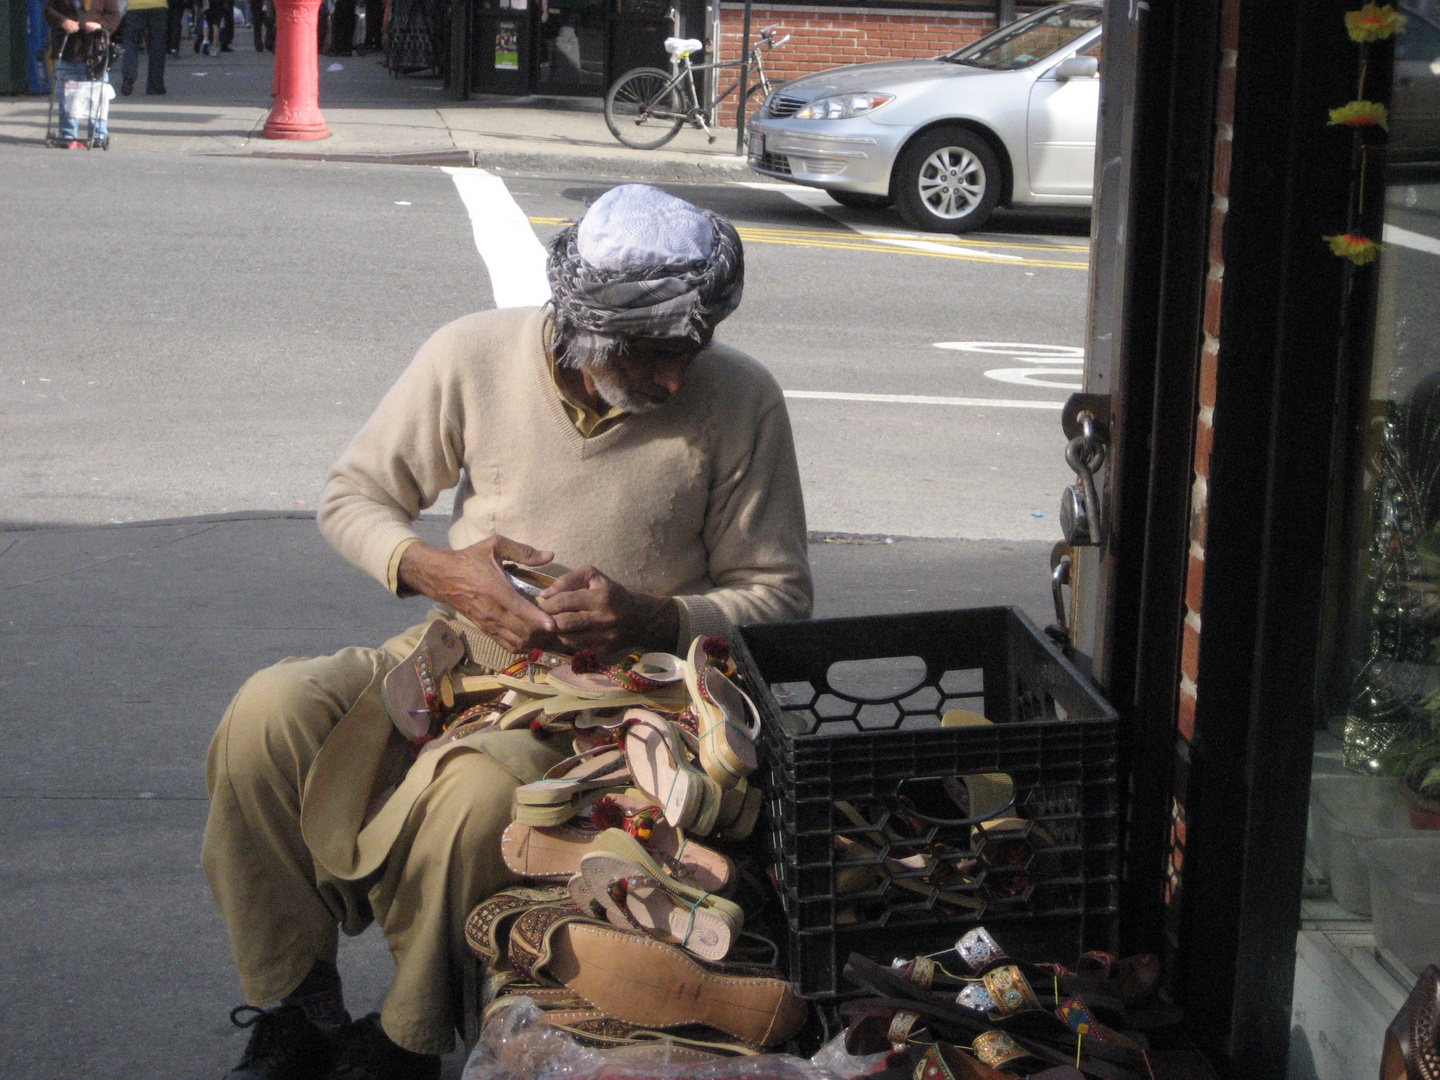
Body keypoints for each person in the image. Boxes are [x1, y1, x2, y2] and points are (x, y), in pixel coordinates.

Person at [203, 184, 811, 1080]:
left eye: (695, 347)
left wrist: (658, 616)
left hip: (622, 711)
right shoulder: (472, 354)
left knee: (483, 797)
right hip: (462, 660)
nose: (678, 377)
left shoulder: (743, 400)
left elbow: (781, 597)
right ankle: (296, 1002)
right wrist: (434, 569)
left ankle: (408, 1036)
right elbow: (353, 497)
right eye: (653, 352)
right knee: (267, 713)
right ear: (583, 331)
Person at [45, 0, 120, 148]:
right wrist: (63, 21)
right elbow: (49, 11)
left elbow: (114, 15)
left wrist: (100, 24)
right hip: (67, 50)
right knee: (67, 96)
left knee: (97, 95)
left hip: (94, 52)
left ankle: (98, 134)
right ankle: (68, 134)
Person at [120, 0, 167, 94]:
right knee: (157, 45)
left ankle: (129, 73)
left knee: (131, 43)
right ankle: (155, 85)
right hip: (159, 6)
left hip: (134, 6)